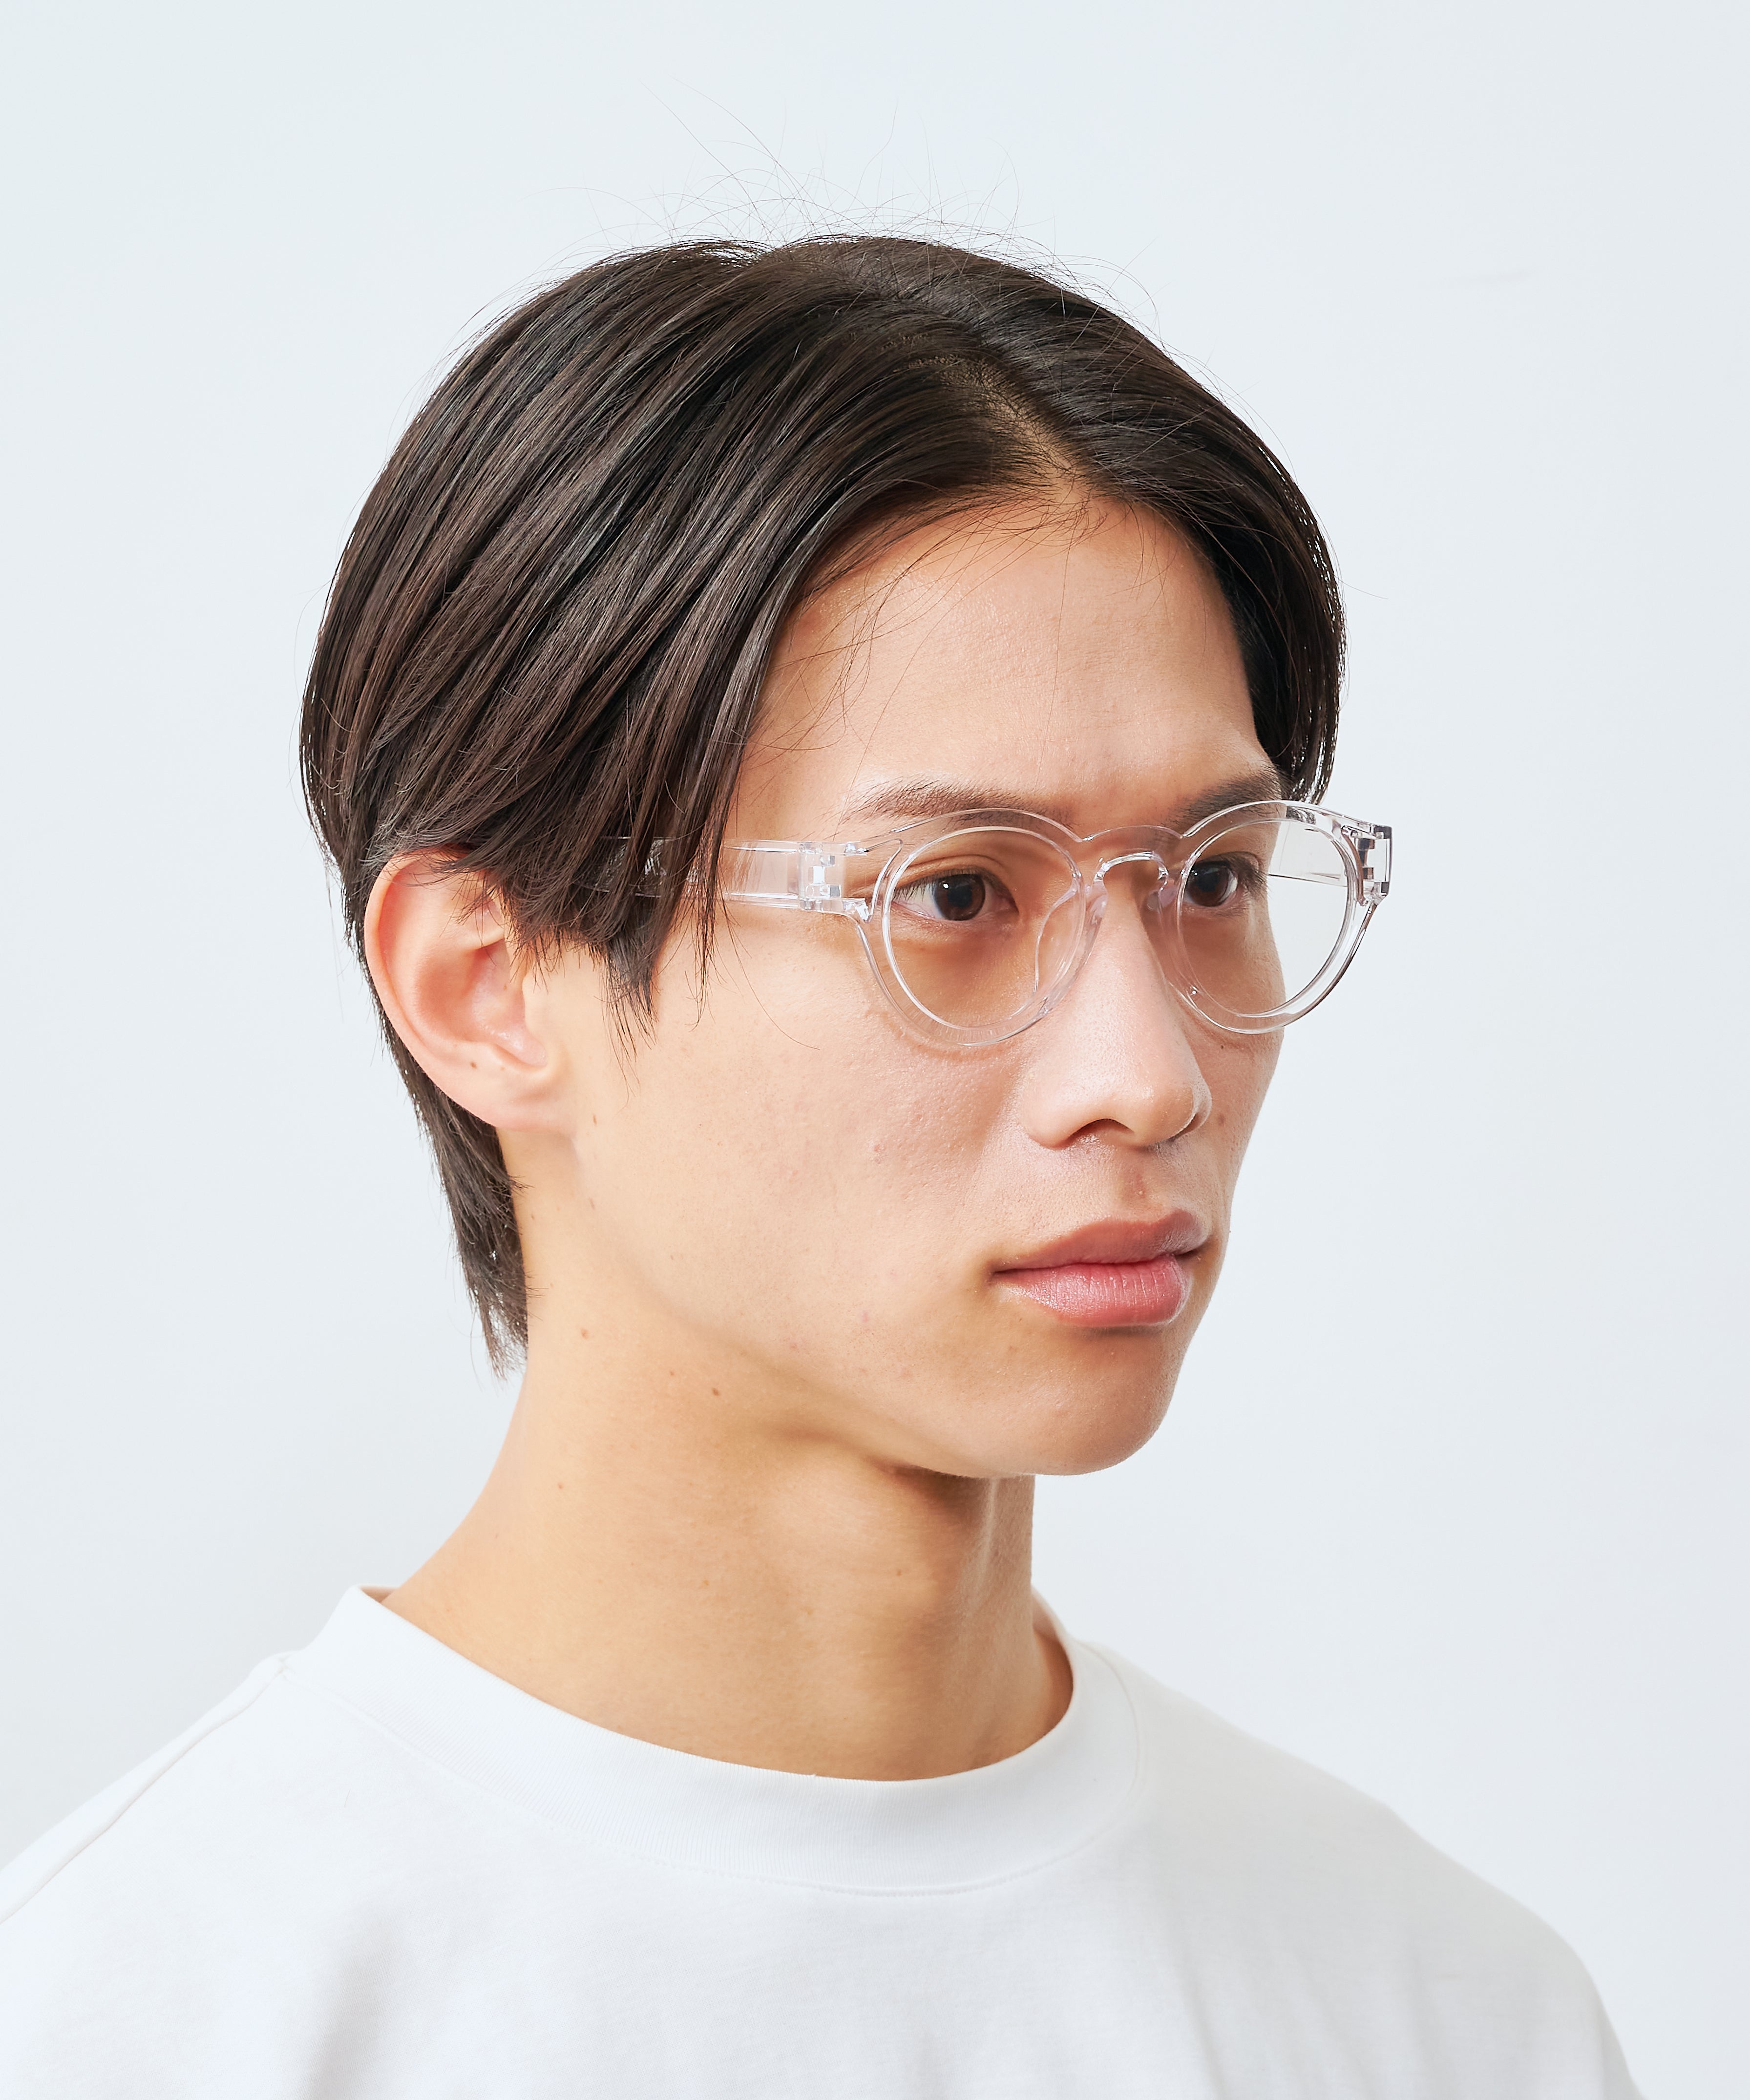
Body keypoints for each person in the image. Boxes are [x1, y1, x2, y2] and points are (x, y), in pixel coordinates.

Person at [0, 235, 1639, 2096]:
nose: (1150, 1073)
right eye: (955, 895)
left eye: (1211, 877)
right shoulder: (137, 2025)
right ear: (489, 982)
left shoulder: (1446, 2018)